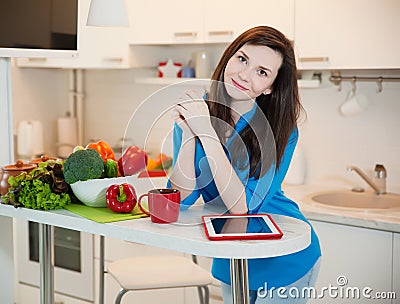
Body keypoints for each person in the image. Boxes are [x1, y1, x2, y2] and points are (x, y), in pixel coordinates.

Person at [168, 25, 321, 303]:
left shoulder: (279, 131)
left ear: (271, 86)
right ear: (229, 57)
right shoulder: (199, 111)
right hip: (233, 254)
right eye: (242, 59)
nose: (243, 75)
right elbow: (180, 201)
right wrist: (190, 134)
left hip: (283, 258)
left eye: (261, 72)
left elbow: (244, 208)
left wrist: (204, 130)